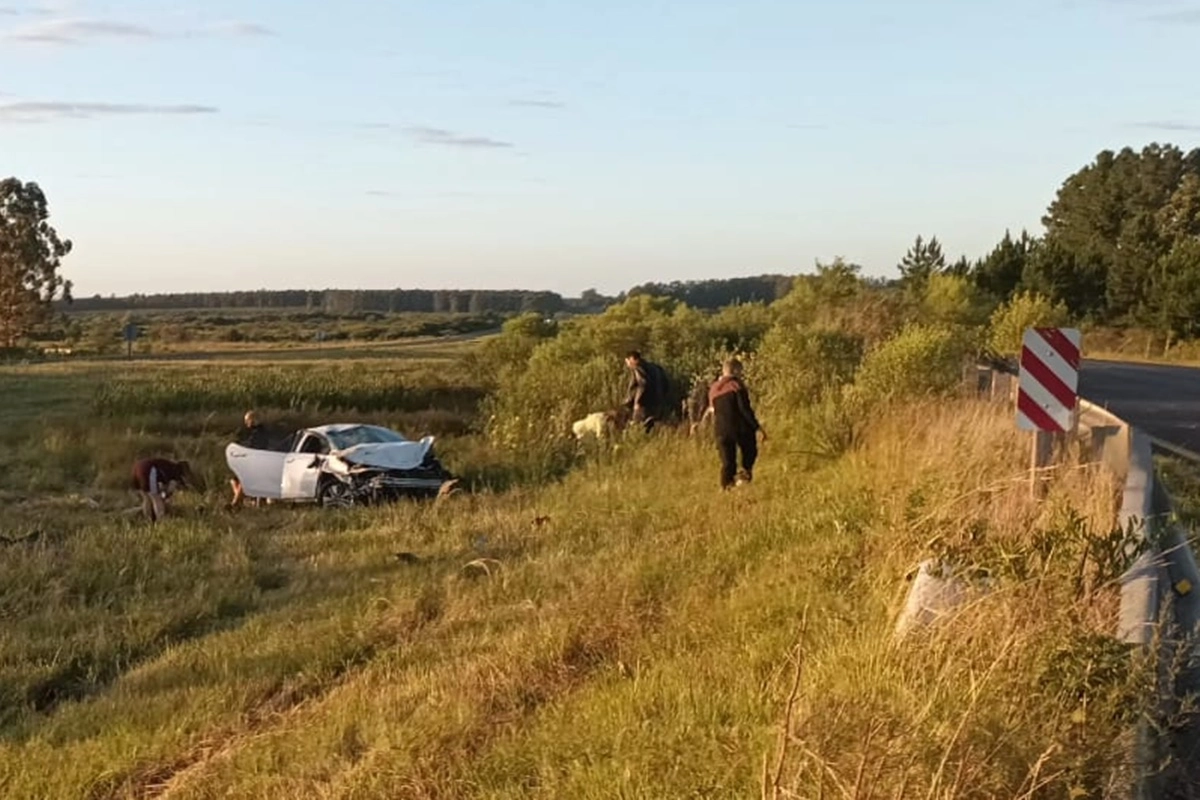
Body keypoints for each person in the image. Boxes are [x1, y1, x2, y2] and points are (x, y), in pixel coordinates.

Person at [707, 357, 766, 489]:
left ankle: (726, 488)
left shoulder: (713, 389)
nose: (741, 374)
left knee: (728, 463)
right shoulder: (736, 385)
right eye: (740, 371)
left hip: (720, 430)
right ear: (735, 370)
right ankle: (744, 477)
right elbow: (745, 410)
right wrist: (757, 427)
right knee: (750, 451)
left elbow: (713, 411)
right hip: (738, 428)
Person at [229, 409, 275, 508]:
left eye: (247, 421)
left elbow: (253, 448)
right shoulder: (260, 432)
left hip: (258, 463)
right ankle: (244, 500)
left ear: (252, 420)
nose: (246, 423)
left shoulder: (257, 433)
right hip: (260, 462)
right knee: (234, 480)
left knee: (240, 479)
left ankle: (236, 503)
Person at [131, 457, 194, 523]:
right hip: (148, 470)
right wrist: (165, 496)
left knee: (147, 498)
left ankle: (148, 520)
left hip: (137, 467)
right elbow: (169, 489)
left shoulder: (167, 465)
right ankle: (161, 520)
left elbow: (163, 485)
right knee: (156, 498)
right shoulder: (176, 472)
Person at [623, 350, 670, 431]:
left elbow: (642, 384)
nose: (627, 365)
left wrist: (637, 402)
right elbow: (666, 384)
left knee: (638, 428)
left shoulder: (638, 368)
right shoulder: (655, 367)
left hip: (643, 405)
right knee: (651, 428)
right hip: (657, 403)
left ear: (632, 359)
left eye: (627, 362)